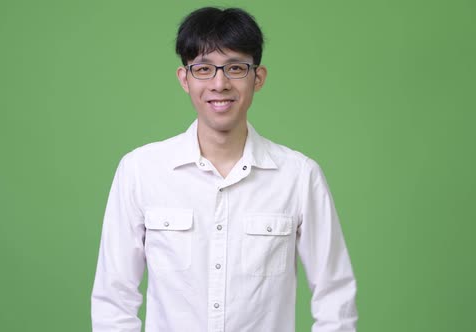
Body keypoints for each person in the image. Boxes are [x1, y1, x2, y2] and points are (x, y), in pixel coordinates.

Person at [91, 6, 357, 332]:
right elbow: (114, 296)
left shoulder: (299, 177)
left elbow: (335, 294)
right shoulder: (141, 171)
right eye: (203, 69)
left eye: (235, 68)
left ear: (257, 78)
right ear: (184, 78)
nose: (219, 83)